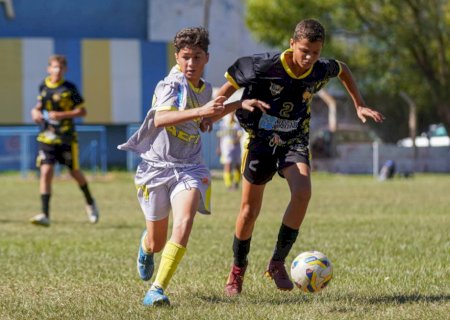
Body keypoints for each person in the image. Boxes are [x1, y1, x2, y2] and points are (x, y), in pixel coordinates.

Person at [212, 18, 385, 296]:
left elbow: (343, 69)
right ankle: (237, 270)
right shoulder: (263, 65)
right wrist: (212, 112)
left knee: (303, 191)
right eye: (304, 50)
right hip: (260, 141)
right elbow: (229, 85)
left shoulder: (319, 69)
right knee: (249, 211)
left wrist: (359, 104)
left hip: (294, 140)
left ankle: (277, 261)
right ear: (292, 43)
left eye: (315, 52)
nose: (309, 58)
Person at [117, 27, 228, 307]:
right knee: (156, 241)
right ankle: (146, 247)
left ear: (207, 58)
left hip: (190, 166)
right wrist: (201, 113)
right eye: (186, 57)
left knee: (185, 221)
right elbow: (161, 119)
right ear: (177, 57)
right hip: (156, 168)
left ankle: (157, 289)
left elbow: (204, 121)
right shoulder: (171, 85)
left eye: (197, 57)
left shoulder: (207, 91)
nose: (191, 64)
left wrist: (238, 105)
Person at [29, 55, 99, 227]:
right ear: (49, 69)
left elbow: (82, 111)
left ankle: (90, 202)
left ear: (65, 70)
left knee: (74, 172)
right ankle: (45, 214)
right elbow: (39, 106)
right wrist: (35, 113)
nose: (57, 70)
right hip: (47, 136)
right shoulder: (43, 86)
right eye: (54, 67)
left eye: (60, 68)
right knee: (46, 172)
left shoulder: (69, 88)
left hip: (66, 137)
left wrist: (62, 115)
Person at [216, 111, 244, 190]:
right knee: (227, 164)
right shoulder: (223, 124)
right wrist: (218, 147)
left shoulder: (237, 124)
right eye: (230, 113)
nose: (231, 115)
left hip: (236, 146)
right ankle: (228, 184)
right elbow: (219, 136)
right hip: (226, 147)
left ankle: (236, 182)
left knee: (237, 165)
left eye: (232, 113)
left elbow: (240, 134)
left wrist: (237, 140)